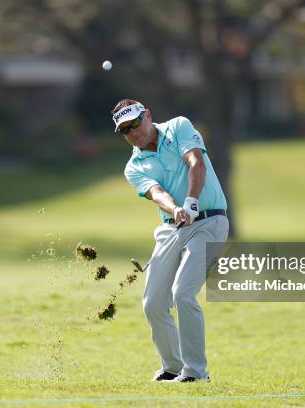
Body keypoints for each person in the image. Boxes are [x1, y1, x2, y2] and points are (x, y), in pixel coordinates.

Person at [112, 99, 229, 383]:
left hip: (209, 222)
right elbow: (156, 193)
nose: (134, 133)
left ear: (148, 115)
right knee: (153, 303)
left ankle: (196, 373)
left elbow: (195, 162)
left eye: (136, 123)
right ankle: (173, 367)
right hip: (172, 227)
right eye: (126, 130)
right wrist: (176, 209)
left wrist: (190, 202)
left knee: (183, 293)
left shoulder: (178, 127)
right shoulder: (133, 166)